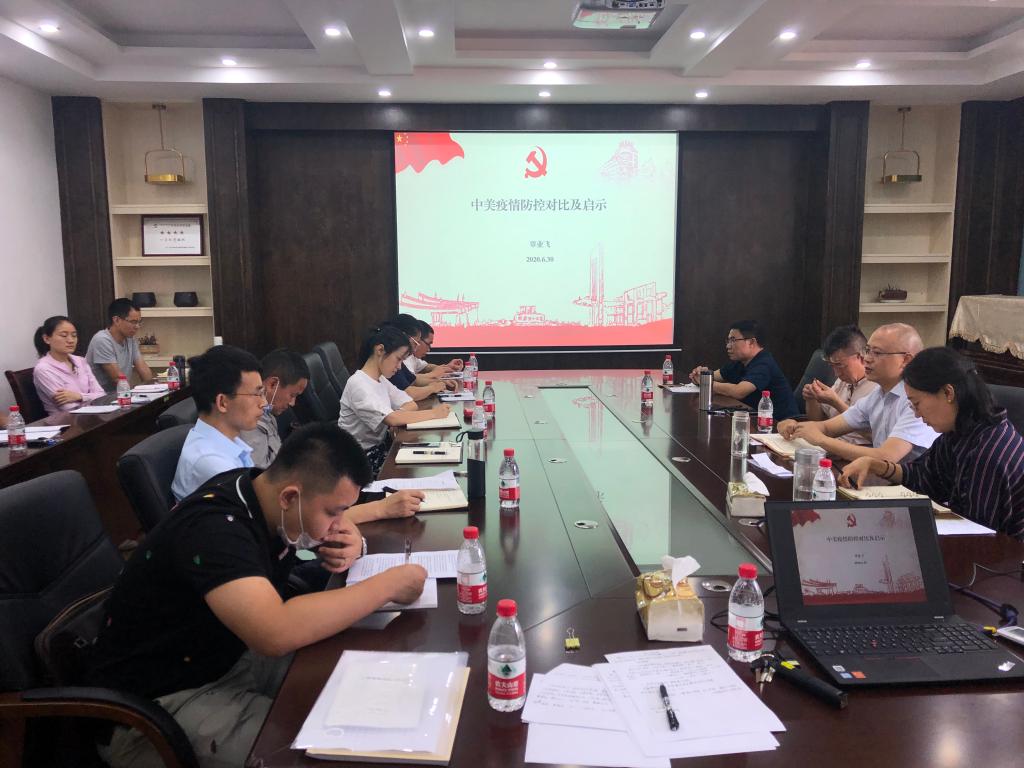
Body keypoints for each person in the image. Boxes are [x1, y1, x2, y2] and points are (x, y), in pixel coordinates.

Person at [87, 423, 428, 768]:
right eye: (333, 512)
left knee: (365, 688)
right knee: (329, 751)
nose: (340, 523)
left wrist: (350, 540)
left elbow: (312, 527)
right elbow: (274, 631)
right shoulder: (215, 529)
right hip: (158, 705)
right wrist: (388, 585)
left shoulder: (260, 492)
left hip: (226, 654)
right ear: (290, 497)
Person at [840, 347, 1024, 540]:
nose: (916, 414)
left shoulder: (987, 453)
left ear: (948, 393)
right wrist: (876, 465)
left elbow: (976, 536)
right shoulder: (960, 433)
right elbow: (925, 477)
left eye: (917, 404)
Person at [239, 347, 424, 523]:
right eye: (256, 393)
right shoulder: (252, 425)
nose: (293, 404)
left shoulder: (267, 416)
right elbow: (273, 497)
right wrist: (379, 509)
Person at [777, 323, 938, 463]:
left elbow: (886, 456)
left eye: (877, 353)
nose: (867, 358)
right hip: (886, 480)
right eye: (868, 350)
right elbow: (826, 427)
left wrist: (822, 440)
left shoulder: (917, 400)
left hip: (913, 486)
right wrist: (793, 426)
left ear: (906, 360)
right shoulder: (878, 395)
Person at [338, 325, 451, 476]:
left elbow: (410, 404)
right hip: (359, 461)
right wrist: (434, 414)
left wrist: (397, 417)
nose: (399, 367)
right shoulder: (358, 384)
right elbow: (392, 418)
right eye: (398, 359)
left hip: (381, 449)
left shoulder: (381, 380)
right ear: (380, 350)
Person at [171, 345, 266, 501]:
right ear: (222, 402)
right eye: (257, 394)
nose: (263, 403)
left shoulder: (229, 442)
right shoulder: (212, 464)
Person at [688, 319, 798, 420]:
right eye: (728, 341)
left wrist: (705, 382)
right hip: (753, 417)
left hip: (780, 425)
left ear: (751, 342)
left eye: (733, 340)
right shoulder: (740, 362)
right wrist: (699, 375)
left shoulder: (764, 364)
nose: (728, 346)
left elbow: (739, 391)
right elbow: (712, 376)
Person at [801, 325, 878, 446]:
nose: (836, 373)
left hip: (858, 450)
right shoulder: (842, 381)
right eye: (832, 366)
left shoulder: (878, 387)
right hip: (829, 446)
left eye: (840, 365)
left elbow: (877, 437)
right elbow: (818, 421)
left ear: (861, 357)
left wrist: (836, 402)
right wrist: (812, 399)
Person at [239, 348, 309, 470]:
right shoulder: (251, 423)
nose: (292, 403)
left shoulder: (269, 414)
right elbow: (259, 475)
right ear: (272, 384)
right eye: (292, 395)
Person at [31, 315, 105, 415]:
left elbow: (102, 395)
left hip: (93, 416)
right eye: (64, 335)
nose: (71, 340)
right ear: (47, 339)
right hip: (66, 421)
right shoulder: (43, 369)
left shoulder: (80, 361)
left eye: (74, 335)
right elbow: (68, 407)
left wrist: (79, 396)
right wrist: (89, 397)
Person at [85, 298, 154, 392]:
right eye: (133, 322)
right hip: (101, 397)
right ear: (116, 320)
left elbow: (143, 368)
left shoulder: (130, 339)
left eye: (139, 322)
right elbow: (118, 378)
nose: (137, 326)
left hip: (120, 394)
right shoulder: (102, 340)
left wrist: (153, 389)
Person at [385, 316, 446, 400]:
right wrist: (432, 388)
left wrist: (440, 383)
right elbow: (408, 393)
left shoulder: (397, 360)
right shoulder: (390, 360)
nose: (415, 349)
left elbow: (413, 380)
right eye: (416, 343)